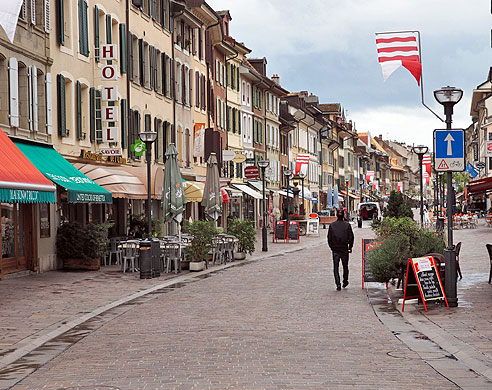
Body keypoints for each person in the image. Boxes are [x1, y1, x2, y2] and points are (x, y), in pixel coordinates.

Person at [328, 209, 354, 291]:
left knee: (336, 267)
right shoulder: (347, 225)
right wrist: (350, 247)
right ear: (343, 215)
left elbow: (329, 238)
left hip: (335, 249)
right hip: (344, 248)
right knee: (345, 266)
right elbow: (351, 237)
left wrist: (332, 247)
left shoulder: (332, 225)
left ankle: (338, 283)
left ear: (336, 215)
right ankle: (345, 281)